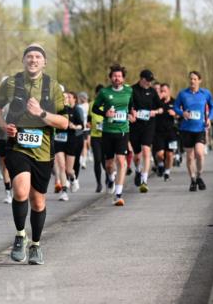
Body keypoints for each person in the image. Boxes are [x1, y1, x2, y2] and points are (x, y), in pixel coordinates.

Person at [0, 43, 70, 265]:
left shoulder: (53, 87)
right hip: (18, 146)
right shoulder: (11, 83)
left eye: (37, 57)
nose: (33, 60)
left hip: (43, 150)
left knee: (38, 201)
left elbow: (64, 123)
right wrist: (4, 125)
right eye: (29, 56)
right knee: (20, 190)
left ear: (44, 62)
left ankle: (35, 244)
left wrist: (41, 113)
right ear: (23, 60)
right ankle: (20, 235)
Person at [92, 64, 133, 206]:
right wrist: (105, 113)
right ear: (110, 78)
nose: (117, 78)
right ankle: (110, 178)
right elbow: (95, 108)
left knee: (121, 161)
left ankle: (118, 194)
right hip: (108, 131)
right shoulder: (104, 92)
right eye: (114, 76)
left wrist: (132, 113)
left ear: (123, 78)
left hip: (123, 130)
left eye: (119, 76)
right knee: (109, 165)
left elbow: (132, 105)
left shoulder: (129, 91)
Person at [174, 71, 213, 192]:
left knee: (199, 153)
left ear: (199, 80)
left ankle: (199, 176)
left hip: (200, 128)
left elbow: (212, 106)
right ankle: (192, 180)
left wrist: (209, 118)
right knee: (190, 157)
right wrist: (183, 113)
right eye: (191, 79)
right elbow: (176, 107)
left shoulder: (205, 93)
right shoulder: (183, 94)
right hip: (186, 129)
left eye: (195, 79)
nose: (192, 81)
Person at [129, 68, 162, 193]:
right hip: (135, 126)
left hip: (149, 125)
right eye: (147, 80)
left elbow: (161, 107)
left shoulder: (152, 91)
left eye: (151, 81)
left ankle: (144, 180)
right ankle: (138, 170)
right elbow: (127, 105)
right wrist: (131, 112)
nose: (149, 83)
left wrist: (156, 111)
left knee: (146, 150)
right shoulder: (132, 90)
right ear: (141, 79)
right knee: (137, 156)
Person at [54, 90, 84, 201]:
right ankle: (64, 191)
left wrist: (74, 126)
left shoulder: (74, 110)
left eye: (66, 97)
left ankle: (73, 178)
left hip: (71, 140)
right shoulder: (57, 111)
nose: (64, 99)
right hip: (59, 140)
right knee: (61, 166)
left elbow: (81, 126)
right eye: (62, 97)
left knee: (69, 170)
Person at [153, 83, 179, 181]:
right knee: (160, 154)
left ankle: (167, 172)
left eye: (164, 91)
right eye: (161, 91)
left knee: (170, 154)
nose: (163, 92)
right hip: (158, 132)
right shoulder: (157, 102)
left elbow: (180, 114)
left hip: (171, 132)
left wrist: (175, 114)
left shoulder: (174, 102)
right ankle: (160, 164)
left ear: (169, 91)